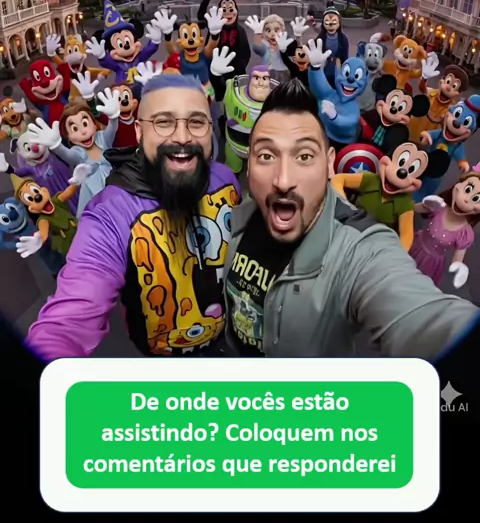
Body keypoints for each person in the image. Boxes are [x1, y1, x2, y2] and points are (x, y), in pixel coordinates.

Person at [223, 79, 479, 358]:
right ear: (249, 165)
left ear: (329, 163)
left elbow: (423, 317)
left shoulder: (360, 250)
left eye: (305, 156)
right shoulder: (240, 216)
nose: (283, 180)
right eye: (266, 155)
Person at [26, 75, 241, 361]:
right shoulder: (110, 213)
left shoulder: (226, 180)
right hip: (162, 356)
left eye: (196, 122)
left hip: (227, 338)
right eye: (164, 122)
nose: (182, 137)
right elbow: (66, 324)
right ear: (139, 131)